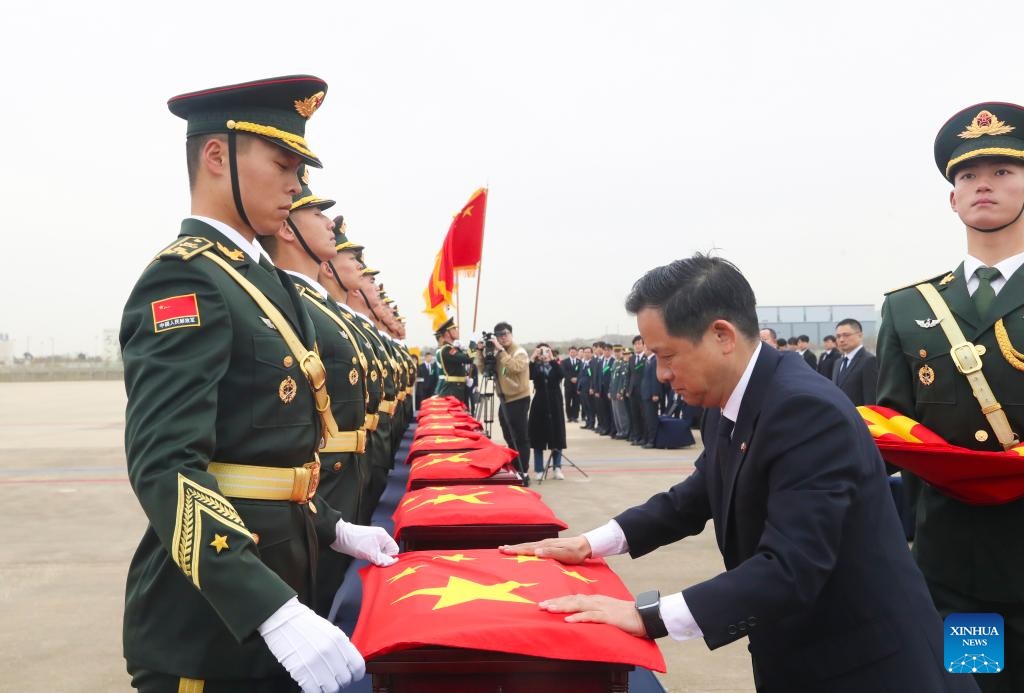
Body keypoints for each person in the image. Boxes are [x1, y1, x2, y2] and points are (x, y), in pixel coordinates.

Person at [502, 255, 976, 693]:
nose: (662, 374)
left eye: (668, 356)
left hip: (866, 666)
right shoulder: (727, 398)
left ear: (722, 336)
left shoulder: (804, 409)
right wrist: (591, 543)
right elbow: (696, 495)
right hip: (794, 653)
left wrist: (649, 616)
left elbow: (790, 567)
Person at [120, 75, 397, 693]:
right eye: (282, 163)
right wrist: (265, 606)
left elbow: (264, 453)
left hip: (279, 582)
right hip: (214, 624)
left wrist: (330, 526)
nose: (297, 184)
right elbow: (166, 466)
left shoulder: (260, 283)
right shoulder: (186, 279)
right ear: (217, 156)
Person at [876, 101, 1024, 693]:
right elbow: (892, 423)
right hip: (955, 560)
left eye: (1003, 171)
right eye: (968, 175)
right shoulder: (907, 308)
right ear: (953, 198)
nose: (983, 184)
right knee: (972, 684)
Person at [261, 167, 373, 616]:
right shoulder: (292, 304)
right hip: (320, 482)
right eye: (317, 215)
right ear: (288, 229)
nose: (329, 223)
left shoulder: (315, 309)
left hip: (329, 488)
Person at [480, 322, 531, 483]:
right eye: (499, 336)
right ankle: (515, 466)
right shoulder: (498, 353)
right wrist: (480, 353)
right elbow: (484, 370)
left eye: (505, 334)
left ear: (511, 334)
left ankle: (523, 470)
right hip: (504, 400)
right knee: (509, 435)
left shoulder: (519, 351)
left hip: (519, 398)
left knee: (520, 437)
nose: (503, 338)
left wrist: (501, 351)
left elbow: (515, 367)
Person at [528, 343, 566, 480]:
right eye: (541, 351)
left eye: (546, 350)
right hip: (540, 402)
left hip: (554, 402)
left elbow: (561, 374)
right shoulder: (535, 366)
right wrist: (533, 357)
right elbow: (529, 375)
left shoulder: (555, 364)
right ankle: (539, 469)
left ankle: (557, 467)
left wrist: (552, 359)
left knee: (557, 435)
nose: (544, 353)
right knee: (538, 436)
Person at [832, 318, 878, 406]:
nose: (841, 340)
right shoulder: (838, 363)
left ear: (860, 335)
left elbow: (871, 399)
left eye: (846, 335)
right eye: (838, 336)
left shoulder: (869, 361)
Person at [434, 317, 472, 405]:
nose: (457, 331)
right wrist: (472, 344)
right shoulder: (447, 350)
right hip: (452, 390)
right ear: (447, 333)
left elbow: (458, 367)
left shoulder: (452, 348)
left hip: (457, 389)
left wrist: (465, 378)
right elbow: (468, 358)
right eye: (454, 329)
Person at [561, 346, 583, 422]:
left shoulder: (579, 362)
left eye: (574, 352)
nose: (573, 353)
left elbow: (581, 371)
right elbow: (563, 371)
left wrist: (577, 378)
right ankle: (569, 416)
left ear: (576, 352)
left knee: (576, 401)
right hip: (568, 384)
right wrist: (570, 378)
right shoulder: (564, 361)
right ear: (569, 352)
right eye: (571, 352)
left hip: (577, 384)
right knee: (568, 401)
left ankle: (575, 416)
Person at [578, 345, 596, 429]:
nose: (586, 354)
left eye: (588, 352)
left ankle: (592, 423)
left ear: (591, 353)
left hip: (589, 388)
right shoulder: (582, 363)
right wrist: (578, 387)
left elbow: (592, 376)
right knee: (585, 406)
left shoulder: (593, 363)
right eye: (585, 352)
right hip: (582, 388)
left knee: (590, 406)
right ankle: (587, 422)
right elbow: (580, 376)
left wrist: (592, 387)